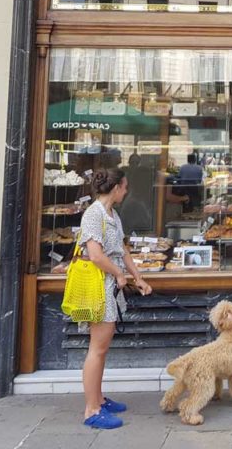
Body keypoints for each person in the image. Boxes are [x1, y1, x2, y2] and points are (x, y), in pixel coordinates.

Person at [78, 168, 153, 430]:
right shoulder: (93, 214)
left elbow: (122, 250)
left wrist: (138, 278)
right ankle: (91, 410)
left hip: (110, 287)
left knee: (103, 347)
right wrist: (119, 274)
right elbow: (96, 255)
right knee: (97, 349)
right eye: (125, 186)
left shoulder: (112, 214)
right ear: (116, 188)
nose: (127, 190)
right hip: (98, 288)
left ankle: (99, 398)